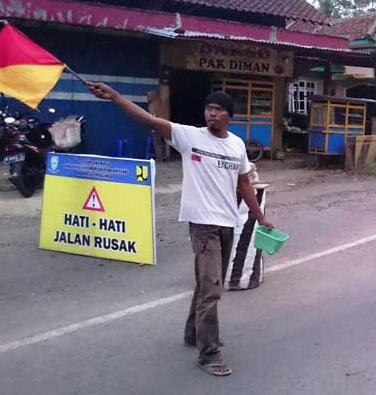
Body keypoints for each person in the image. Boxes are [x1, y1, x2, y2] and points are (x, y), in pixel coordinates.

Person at [89, 82, 275, 377]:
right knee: (212, 287)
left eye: (219, 110)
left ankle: (194, 333)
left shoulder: (237, 145)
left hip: (228, 222)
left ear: (230, 116)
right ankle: (209, 353)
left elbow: (244, 184)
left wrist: (259, 217)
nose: (212, 114)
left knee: (206, 283)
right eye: (209, 108)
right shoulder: (189, 136)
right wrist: (114, 96)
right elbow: (148, 120)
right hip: (202, 225)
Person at [146, 90, 170, 161]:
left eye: (148, 96)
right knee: (164, 142)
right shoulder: (161, 104)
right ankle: (165, 156)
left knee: (157, 143)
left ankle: (159, 158)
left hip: (157, 127)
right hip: (165, 125)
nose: (147, 98)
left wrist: (152, 127)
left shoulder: (152, 105)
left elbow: (152, 117)